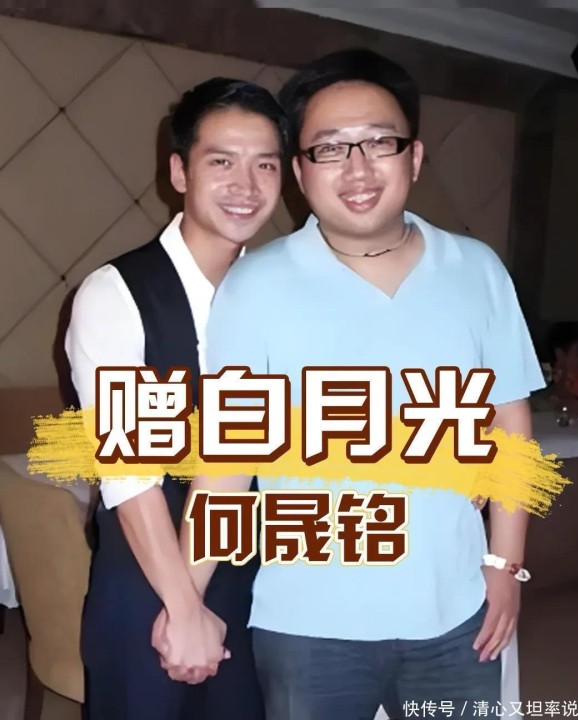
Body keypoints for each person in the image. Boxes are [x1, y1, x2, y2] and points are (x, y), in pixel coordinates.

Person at [174, 50, 545, 719]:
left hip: (457, 610)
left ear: (415, 157)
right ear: (300, 172)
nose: (358, 168)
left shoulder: (478, 271)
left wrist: (506, 565)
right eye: (330, 148)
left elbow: (509, 425)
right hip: (307, 626)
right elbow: (226, 461)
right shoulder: (256, 286)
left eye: (379, 142)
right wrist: (184, 599)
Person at [65, 77, 287, 720]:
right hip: (147, 575)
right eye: (222, 161)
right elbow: (129, 474)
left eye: (265, 164)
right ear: (179, 172)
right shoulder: (118, 293)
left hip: (249, 573)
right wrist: (184, 608)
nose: (246, 185)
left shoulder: (274, 294)